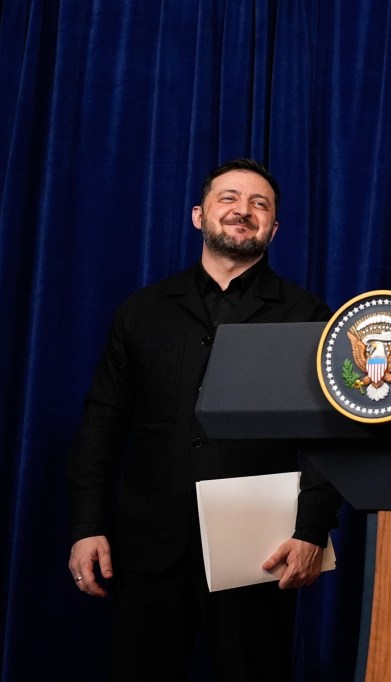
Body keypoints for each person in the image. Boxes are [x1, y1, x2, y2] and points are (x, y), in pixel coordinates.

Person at [67, 158, 342, 681]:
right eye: (229, 198)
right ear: (199, 215)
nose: (243, 211)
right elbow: (102, 424)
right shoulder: (142, 311)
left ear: (274, 228)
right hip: (147, 548)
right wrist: (87, 526)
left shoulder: (308, 316)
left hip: (260, 550)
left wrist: (312, 529)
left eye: (259, 204)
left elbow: (330, 435)